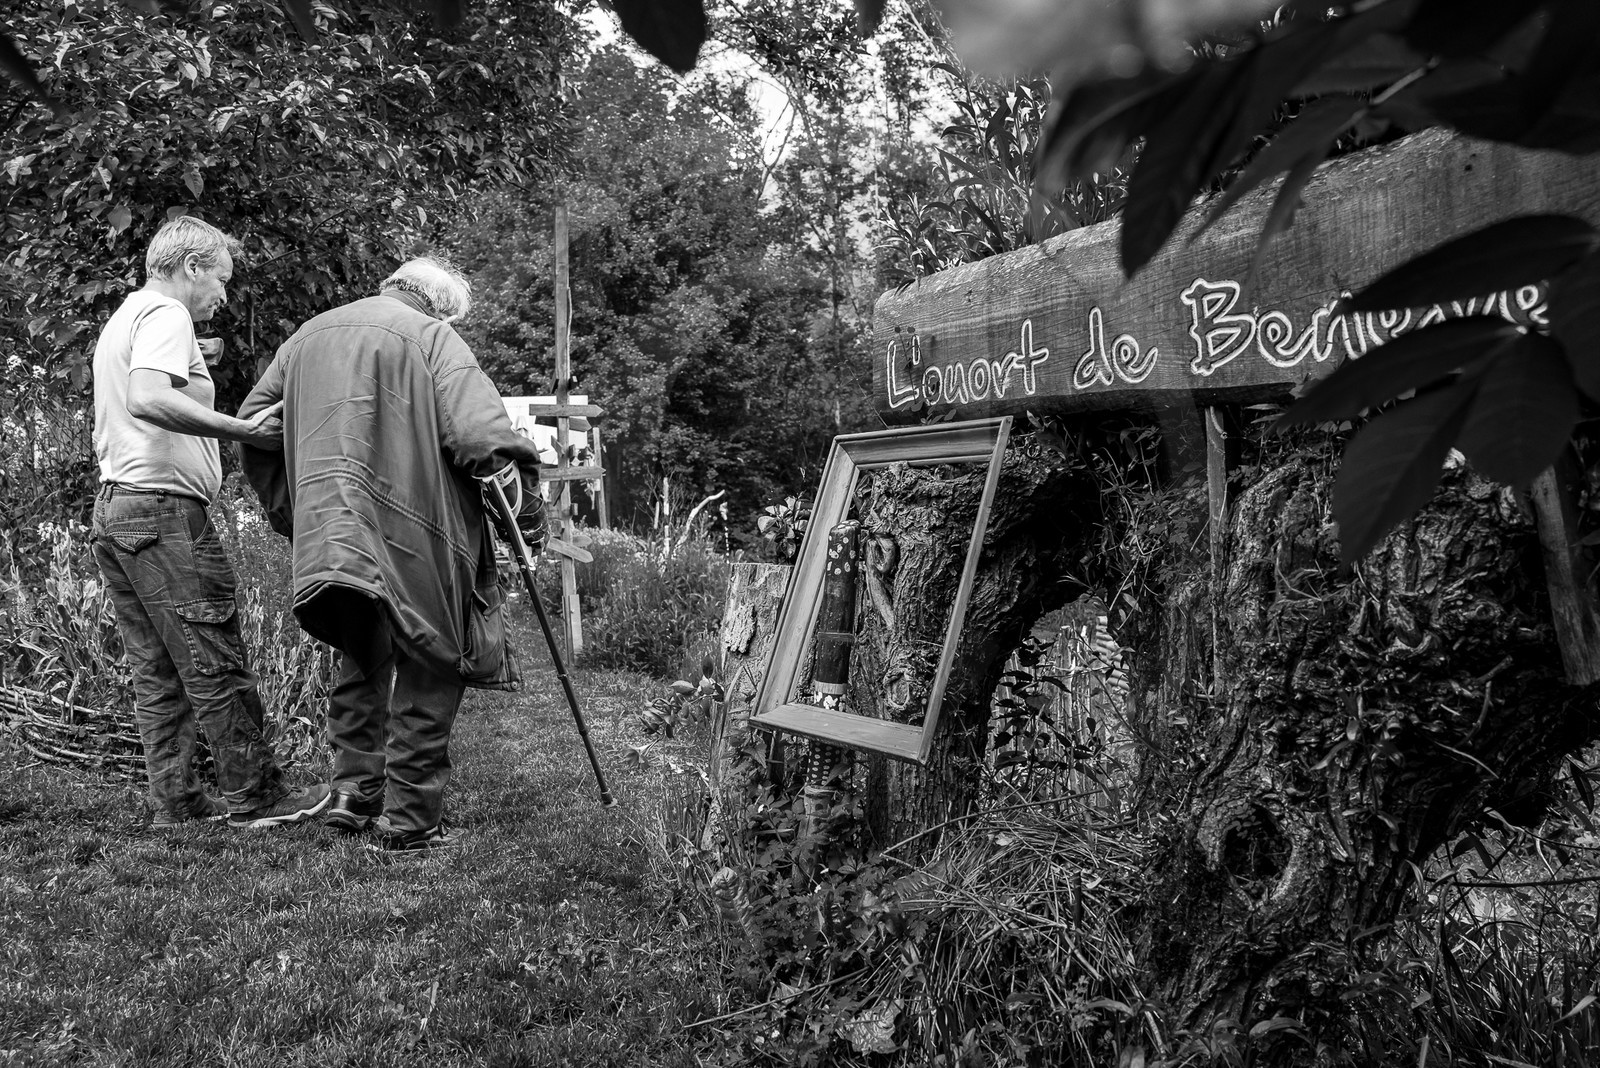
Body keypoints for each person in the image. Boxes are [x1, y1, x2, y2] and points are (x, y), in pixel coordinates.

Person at [239, 257, 544, 855]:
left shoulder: (307, 336)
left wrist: (297, 516)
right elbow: (484, 442)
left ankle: (353, 794)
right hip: (415, 532)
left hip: (331, 533)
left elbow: (254, 428)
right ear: (441, 305)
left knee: (362, 653)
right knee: (432, 663)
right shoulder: (434, 337)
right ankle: (410, 820)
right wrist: (527, 514)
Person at [90, 215, 332, 829]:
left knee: (159, 670)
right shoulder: (167, 315)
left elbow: (141, 394)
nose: (223, 296)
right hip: (165, 513)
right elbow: (148, 398)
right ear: (191, 267)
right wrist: (242, 428)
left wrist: (195, 367)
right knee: (214, 657)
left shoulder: (128, 317)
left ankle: (179, 802)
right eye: (220, 279)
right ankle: (257, 795)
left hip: (119, 511)